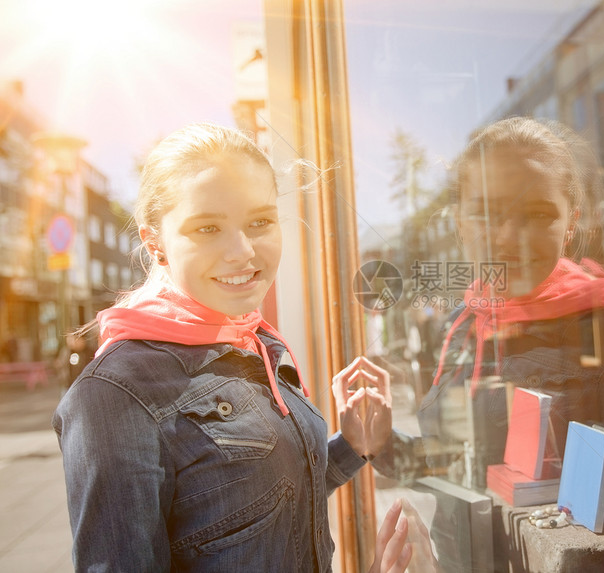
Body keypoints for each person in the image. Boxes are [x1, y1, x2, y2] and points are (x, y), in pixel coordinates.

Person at [52, 123, 414, 572]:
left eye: (259, 222)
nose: (243, 251)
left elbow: (255, 506)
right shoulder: (116, 395)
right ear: (155, 243)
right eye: (208, 229)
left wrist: (351, 447)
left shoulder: (253, 340)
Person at [378, 117, 604, 570]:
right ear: (460, 221)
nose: (508, 238)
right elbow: (452, 461)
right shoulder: (464, 325)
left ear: (571, 223)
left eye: (537, 214)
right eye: (487, 213)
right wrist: (377, 442)